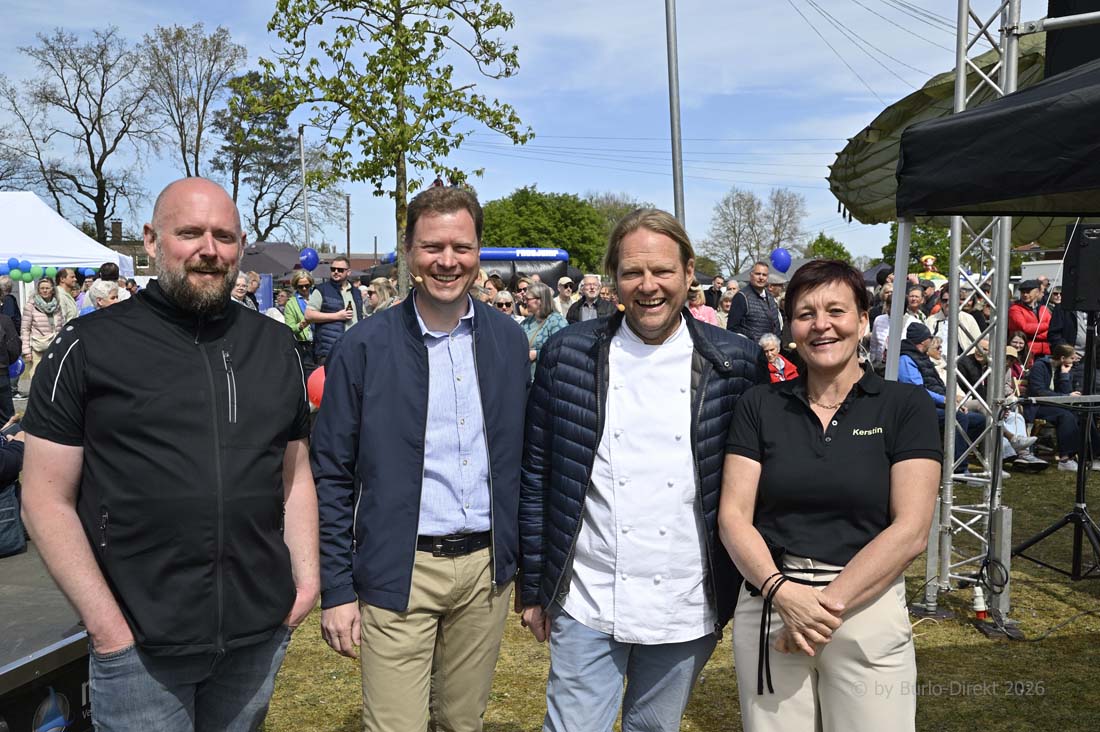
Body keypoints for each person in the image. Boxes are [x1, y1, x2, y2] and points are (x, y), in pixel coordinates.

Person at [19, 177, 318, 732]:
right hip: (139, 648)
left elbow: (295, 476)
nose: (209, 249)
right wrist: (109, 630)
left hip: (255, 636)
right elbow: (42, 497)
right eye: (190, 233)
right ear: (152, 241)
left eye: (224, 236)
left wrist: (306, 584)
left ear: (240, 245)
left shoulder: (276, 348)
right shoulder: (87, 346)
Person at [519, 208, 767, 732]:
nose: (648, 286)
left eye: (662, 271)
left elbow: (756, 482)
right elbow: (540, 475)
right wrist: (536, 589)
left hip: (685, 597)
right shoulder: (568, 353)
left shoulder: (737, 361)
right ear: (613, 279)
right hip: (586, 591)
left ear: (688, 272)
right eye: (632, 272)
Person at [311, 185, 528, 732]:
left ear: (479, 251)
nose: (448, 261)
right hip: (398, 570)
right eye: (433, 247)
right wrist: (336, 589)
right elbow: (331, 474)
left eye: (461, 247)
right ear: (409, 251)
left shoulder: (506, 339)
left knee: (463, 723)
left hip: (485, 574)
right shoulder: (363, 346)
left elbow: (522, 462)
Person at [719, 259, 941, 732]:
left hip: (866, 607)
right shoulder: (760, 405)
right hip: (772, 605)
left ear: (863, 319)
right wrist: (783, 594)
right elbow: (734, 516)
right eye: (805, 313)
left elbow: (912, 529)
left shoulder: (905, 406)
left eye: (836, 310)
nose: (821, 325)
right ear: (790, 326)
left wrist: (820, 609)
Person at [898, 322, 985, 472]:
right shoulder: (906, 360)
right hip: (918, 409)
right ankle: (958, 468)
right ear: (922, 340)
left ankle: (947, 451)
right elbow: (917, 391)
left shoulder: (921, 357)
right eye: (929, 338)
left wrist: (951, 402)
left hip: (935, 405)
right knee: (958, 418)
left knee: (980, 421)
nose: (932, 340)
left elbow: (935, 385)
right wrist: (946, 401)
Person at [1028, 344, 1098, 471]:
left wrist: (1064, 375)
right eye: (1071, 358)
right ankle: (1066, 459)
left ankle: (1092, 456)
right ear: (1062, 358)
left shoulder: (1064, 368)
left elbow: (1066, 393)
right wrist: (1065, 395)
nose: (1074, 360)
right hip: (1038, 405)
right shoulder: (1040, 366)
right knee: (1066, 416)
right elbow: (1038, 391)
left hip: (1057, 404)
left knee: (1084, 412)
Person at [306, 256, 360, 365]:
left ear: (348, 272)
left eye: (340, 270)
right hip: (329, 350)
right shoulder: (322, 289)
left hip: (352, 348)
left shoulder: (356, 292)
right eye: (333, 269)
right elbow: (308, 315)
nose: (336, 272)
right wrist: (337, 316)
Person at [521, 281, 568, 381]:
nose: (525, 302)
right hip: (526, 381)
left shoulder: (557, 322)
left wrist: (536, 354)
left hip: (546, 381)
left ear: (540, 300)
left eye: (527, 299)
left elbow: (562, 351)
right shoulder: (526, 322)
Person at [21, 277, 66, 383]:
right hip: (38, 347)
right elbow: (25, 329)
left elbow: (60, 326)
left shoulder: (57, 305)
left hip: (55, 346)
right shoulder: (31, 306)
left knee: (54, 375)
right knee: (37, 375)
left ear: (52, 289)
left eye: (47, 288)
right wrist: (26, 351)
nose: (44, 290)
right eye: (42, 288)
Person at [727, 261, 782, 343]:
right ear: (751, 275)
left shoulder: (770, 297)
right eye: (758, 274)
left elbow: (775, 324)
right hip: (752, 350)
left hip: (772, 351)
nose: (761, 277)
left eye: (764, 275)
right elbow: (732, 329)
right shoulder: (742, 297)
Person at [1008, 279, 1052, 365]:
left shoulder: (1044, 309)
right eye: (1022, 292)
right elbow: (1024, 328)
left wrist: (1035, 332)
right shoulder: (1015, 309)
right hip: (1026, 352)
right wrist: (1047, 325)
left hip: (1045, 352)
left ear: (1037, 292)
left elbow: (1052, 329)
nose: (1025, 294)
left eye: (1028, 292)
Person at [284, 272, 314, 364]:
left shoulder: (318, 297)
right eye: (301, 286)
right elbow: (289, 328)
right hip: (304, 345)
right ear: (296, 286)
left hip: (320, 341)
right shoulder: (291, 303)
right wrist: (301, 325)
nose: (304, 288)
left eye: (307, 285)